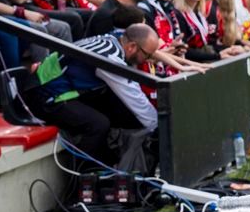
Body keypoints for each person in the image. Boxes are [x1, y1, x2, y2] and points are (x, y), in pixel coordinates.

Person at [31, 23, 161, 163]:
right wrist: (160, 129)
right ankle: (82, 173)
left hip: (55, 88)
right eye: (147, 55)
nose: (149, 59)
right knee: (98, 124)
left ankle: (111, 160)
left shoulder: (115, 38)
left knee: (115, 108)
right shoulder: (109, 59)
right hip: (48, 96)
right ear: (132, 47)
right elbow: (135, 99)